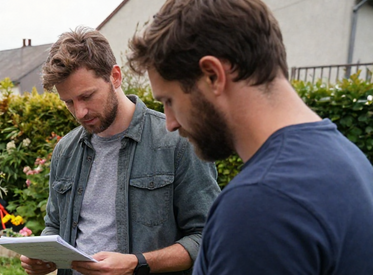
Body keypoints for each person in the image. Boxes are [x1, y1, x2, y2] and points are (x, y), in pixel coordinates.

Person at [127, 0, 373, 274]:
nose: (170, 123)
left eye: (170, 100)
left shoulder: (259, 206)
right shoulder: (351, 159)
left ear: (213, 75)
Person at [20, 27, 220, 275]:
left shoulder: (177, 141)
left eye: (87, 96)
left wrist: (137, 263)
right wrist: (43, 256)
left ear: (115, 76)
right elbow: (54, 225)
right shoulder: (65, 150)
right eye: (69, 102)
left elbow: (208, 238)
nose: (80, 112)